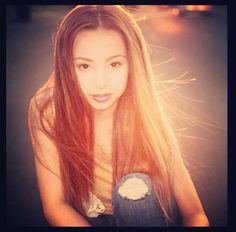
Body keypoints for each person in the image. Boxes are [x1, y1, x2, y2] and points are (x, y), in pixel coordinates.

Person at [28, 5, 209, 227]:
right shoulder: (47, 109)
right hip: (89, 217)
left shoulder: (144, 108)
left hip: (146, 214)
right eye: (84, 66)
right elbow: (55, 205)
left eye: (114, 64)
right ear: (67, 67)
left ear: (131, 65)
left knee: (133, 195)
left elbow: (194, 212)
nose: (100, 82)